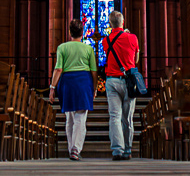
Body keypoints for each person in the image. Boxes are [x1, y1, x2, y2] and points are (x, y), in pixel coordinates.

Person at [49, 19, 97, 159]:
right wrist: (94, 88)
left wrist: (52, 88)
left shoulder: (62, 47)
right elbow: (94, 71)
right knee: (80, 117)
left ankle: (72, 149)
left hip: (67, 83)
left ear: (70, 33)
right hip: (83, 82)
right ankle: (76, 148)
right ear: (82, 33)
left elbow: (58, 69)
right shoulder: (88, 49)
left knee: (69, 118)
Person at [102, 9, 140, 160]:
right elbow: (136, 60)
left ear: (110, 24)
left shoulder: (106, 40)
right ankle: (128, 150)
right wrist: (128, 35)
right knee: (127, 118)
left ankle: (117, 150)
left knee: (114, 117)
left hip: (112, 80)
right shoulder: (133, 38)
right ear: (122, 22)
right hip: (128, 81)